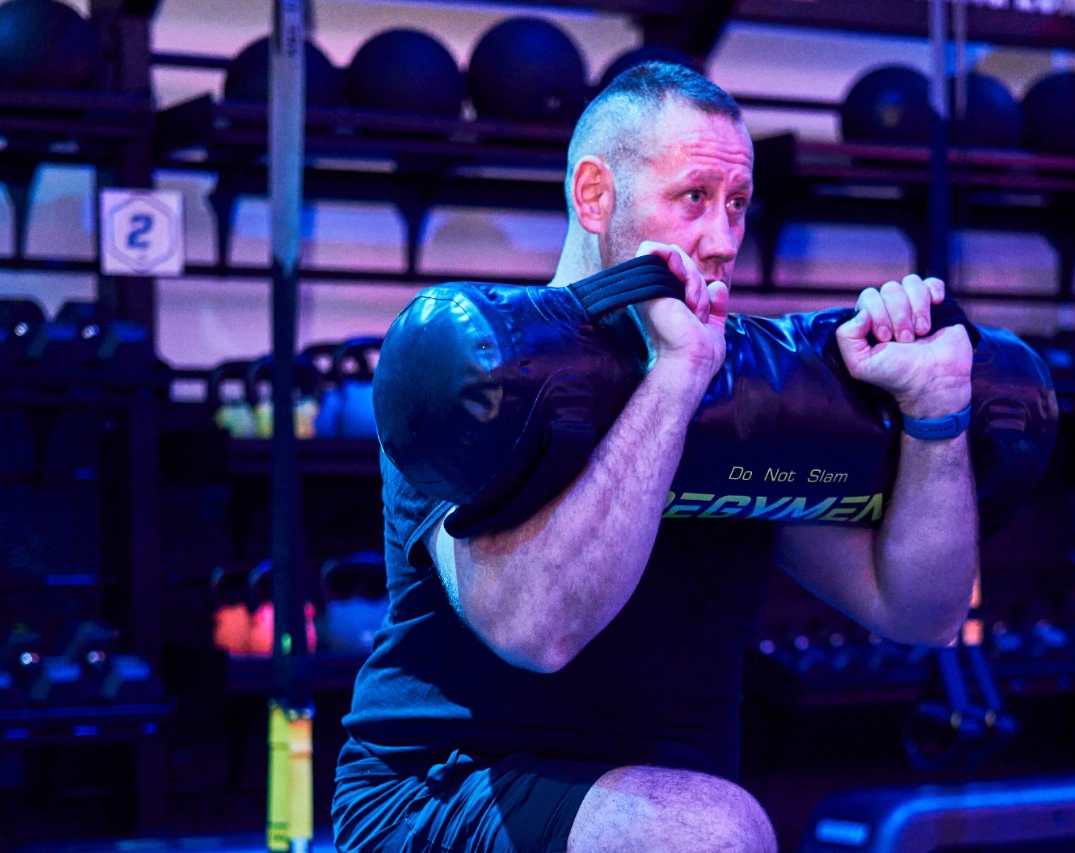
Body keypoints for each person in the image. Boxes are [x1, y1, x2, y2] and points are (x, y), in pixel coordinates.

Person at [333, 62, 978, 853]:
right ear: (595, 196)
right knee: (711, 831)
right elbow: (538, 630)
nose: (722, 240)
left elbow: (920, 610)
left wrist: (935, 413)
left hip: (650, 798)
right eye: (693, 199)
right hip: (442, 788)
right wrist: (672, 381)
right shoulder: (480, 371)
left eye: (737, 205)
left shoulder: (742, 388)